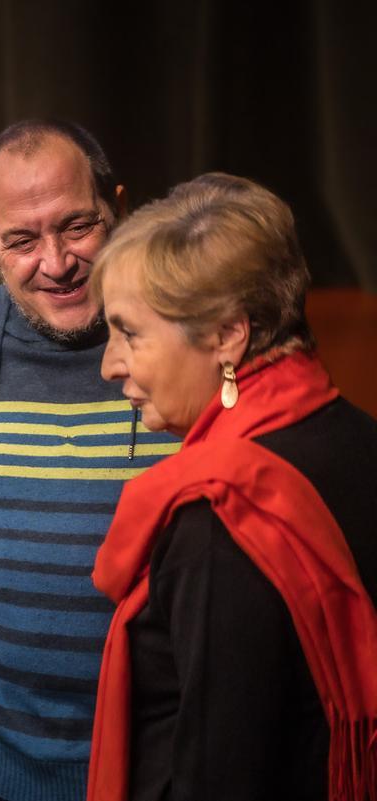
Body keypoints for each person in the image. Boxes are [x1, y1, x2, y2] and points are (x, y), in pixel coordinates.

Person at [0, 120, 180, 801]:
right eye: (22, 239)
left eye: (77, 226)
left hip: (162, 758)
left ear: (119, 207)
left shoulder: (181, 344)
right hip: (6, 762)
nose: (55, 263)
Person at [88, 175, 377, 801]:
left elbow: (222, 773)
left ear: (226, 335)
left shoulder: (219, 522)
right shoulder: (359, 436)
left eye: (130, 334)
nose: (110, 364)